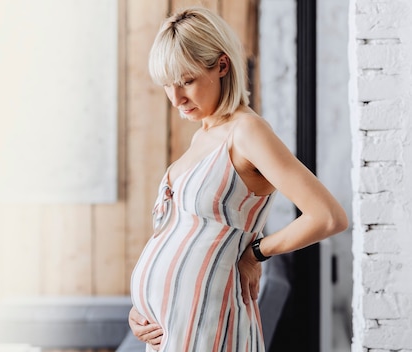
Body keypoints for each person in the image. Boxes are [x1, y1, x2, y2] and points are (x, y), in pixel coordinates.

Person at [128, 7, 348, 351]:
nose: (177, 98)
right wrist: (142, 309)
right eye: (168, 85)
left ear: (221, 65)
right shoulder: (202, 136)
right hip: (173, 327)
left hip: (209, 321)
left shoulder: (247, 131)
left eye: (186, 81)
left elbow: (328, 216)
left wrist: (256, 253)